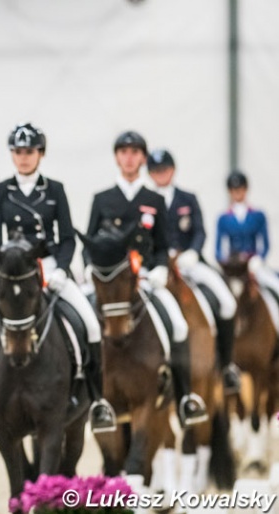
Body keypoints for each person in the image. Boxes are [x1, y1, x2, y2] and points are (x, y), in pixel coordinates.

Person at [0, 122, 116, 434]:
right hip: (11, 273)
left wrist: (60, 268)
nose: (23, 158)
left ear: (40, 153)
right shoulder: (1, 190)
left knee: (92, 324)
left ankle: (97, 401)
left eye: (29, 151)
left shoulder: (54, 189)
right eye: (17, 152)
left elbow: (68, 237)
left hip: (48, 269)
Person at [83, 131, 207, 428]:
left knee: (177, 324)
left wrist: (161, 267)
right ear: (117, 158)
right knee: (83, 324)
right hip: (110, 283)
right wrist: (89, 267)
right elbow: (90, 242)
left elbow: (162, 243)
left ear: (142, 158)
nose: (129, 158)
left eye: (135, 152)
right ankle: (87, 396)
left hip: (146, 279)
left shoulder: (153, 198)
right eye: (124, 152)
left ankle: (185, 397)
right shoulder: (102, 199)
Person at [147, 149, 241, 394]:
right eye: (156, 171)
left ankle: (227, 363)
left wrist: (193, 252)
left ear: (173, 170)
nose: (160, 175)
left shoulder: (187, 198)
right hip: (157, 266)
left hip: (189, 263)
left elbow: (199, 230)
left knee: (227, 302)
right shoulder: (145, 200)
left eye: (164, 170)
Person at [216, 170, 279, 331]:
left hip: (252, 265)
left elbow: (265, 244)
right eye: (234, 190)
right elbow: (218, 248)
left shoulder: (258, 215)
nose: (237, 193)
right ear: (229, 192)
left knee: (275, 287)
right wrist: (224, 261)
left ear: (245, 189)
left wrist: (258, 259)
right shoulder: (223, 218)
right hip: (233, 266)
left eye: (240, 189)